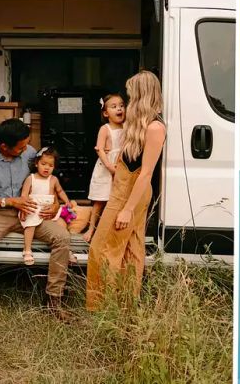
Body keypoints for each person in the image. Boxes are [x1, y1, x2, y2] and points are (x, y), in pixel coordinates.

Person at [0, 118, 71, 334]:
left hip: (33, 212)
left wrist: (55, 204)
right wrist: (11, 201)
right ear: (4, 146)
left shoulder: (30, 152)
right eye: (21, 147)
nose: (27, 150)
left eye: (27, 145)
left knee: (62, 238)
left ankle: (54, 300)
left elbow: (48, 181)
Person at [86, 71, 166, 310]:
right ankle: (126, 306)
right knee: (131, 248)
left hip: (132, 194)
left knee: (102, 247)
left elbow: (146, 173)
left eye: (131, 95)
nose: (128, 101)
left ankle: (102, 305)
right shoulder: (137, 124)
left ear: (141, 95)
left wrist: (127, 210)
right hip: (123, 189)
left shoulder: (155, 127)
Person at [20, 146, 78, 266]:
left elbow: (60, 191)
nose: (47, 167)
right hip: (34, 208)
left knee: (62, 224)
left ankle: (66, 250)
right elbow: (24, 194)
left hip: (50, 209)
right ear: (36, 163)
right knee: (30, 225)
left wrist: (67, 201)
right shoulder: (31, 179)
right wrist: (24, 207)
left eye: (50, 166)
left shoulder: (54, 179)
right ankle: (27, 249)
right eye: (43, 164)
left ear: (54, 167)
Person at [85, 93, 126, 243]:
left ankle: (110, 229)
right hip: (106, 167)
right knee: (100, 200)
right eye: (114, 107)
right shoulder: (105, 128)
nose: (119, 109)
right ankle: (91, 229)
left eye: (121, 105)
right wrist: (110, 166)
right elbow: (99, 149)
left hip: (121, 166)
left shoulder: (126, 127)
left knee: (117, 199)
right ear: (105, 113)